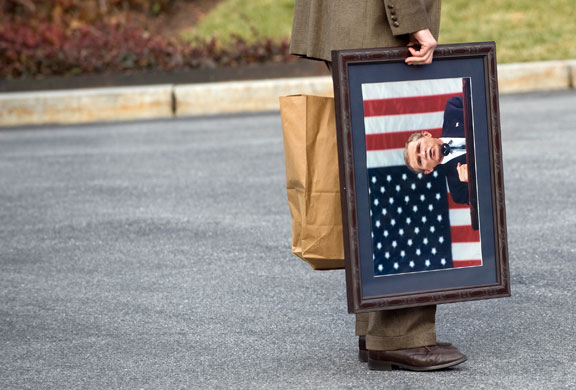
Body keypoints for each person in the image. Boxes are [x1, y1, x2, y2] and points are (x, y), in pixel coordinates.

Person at [290, 0, 467, 371]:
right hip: (376, 20)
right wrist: (411, 21)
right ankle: (400, 335)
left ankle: (376, 329)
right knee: (389, 183)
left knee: (365, 167)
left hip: (344, 18)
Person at [404, 96, 470, 205]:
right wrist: (473, 181)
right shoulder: (459, 191)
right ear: (428, 170)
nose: (423, 154)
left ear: (426, 134)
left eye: (419, 147)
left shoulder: (453, 107)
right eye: (420, 160)